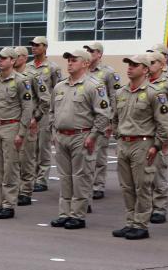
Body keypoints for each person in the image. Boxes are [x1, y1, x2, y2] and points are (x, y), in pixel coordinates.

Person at [111, 54, 168, 240]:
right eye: (129, 65)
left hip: (143, 143)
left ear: (145, 70)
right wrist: (117, 136)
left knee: (142, 186)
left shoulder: (155, 93)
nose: (130, 68)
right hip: (124, 143)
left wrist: (157, 145)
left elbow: (164, 123)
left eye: (135, 65)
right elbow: (115, 118)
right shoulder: (121, 92)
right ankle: (130, 222)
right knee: (127, 186)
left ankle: (141, 225)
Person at [49, 49, 110, 230]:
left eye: (74, 60)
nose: (70, 63)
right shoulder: (60, 86)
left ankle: (77, 215)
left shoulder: (94, 86)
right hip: (62, 137)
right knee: (65, 177)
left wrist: (93, 136)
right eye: (68, 60)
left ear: (85, 63)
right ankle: (64, 213)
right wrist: (54, 132)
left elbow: (103, 115)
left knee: (81, 178)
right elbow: (52, 111)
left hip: (81, 136)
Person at [0, 47, 32, 219]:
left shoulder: (21, 81)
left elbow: (27, 107)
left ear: (13, 60)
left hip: (12, 126)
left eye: (4, 58)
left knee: (10, 167)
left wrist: (21, 132)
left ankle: (9, 204)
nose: (0, 61)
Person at [84, 41, 121, 200]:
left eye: (92, 51)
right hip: (84, 119)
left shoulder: (108, 73)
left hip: (101, 118)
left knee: (99, 155)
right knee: (86, 154)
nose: (89, 54)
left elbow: (115, 96)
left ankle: (98, 185)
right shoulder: (83, 71)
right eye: (87, 51)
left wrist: (111, 121)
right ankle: (85, 184)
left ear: (99, 54)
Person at [14, 46, 50, 207]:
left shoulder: (33, 76)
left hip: (28, 123)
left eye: (15, 56)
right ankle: (14, 189)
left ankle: (25, 191)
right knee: (12, 159)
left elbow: (45, 99)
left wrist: (36, 118)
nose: (12, 59)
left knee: (27, 158)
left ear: (23, 57)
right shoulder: (8, 76)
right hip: (12, 122)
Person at [26, 38, 62, 191]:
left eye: (37, 45)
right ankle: (32, 176)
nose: (33, 48)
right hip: (30, 110)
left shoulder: (53, 68)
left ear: (45, 47)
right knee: (31, 146)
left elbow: (58, 89)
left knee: (43, 146)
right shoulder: (27, 67)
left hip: (45, 111)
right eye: (32, 45)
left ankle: (41, 179)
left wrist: (56, 112)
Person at [147, 47, 168, 224]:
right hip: (143, 133)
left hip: (161, 132)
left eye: (152, 62)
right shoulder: (142, 81)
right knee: (144, 173)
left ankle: (159, 208)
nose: (148, 64)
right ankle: (145, 206)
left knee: (159, 171)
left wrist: (166, 135)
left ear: (162, 64)